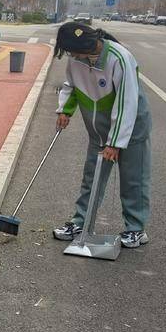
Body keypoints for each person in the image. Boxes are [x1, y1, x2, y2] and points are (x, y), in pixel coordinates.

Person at [52, 22, 152, 249]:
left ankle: (136, 229)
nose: (71, 55)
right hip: (98, 131)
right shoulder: (77, 59)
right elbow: (72, 86)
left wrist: (115, 143)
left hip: (131, 129)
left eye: (72, 50)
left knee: (133, 180)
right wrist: (65, 111)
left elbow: (127, 102)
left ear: (86, 45)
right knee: (92, 179)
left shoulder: (120, 58)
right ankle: (81, 223)